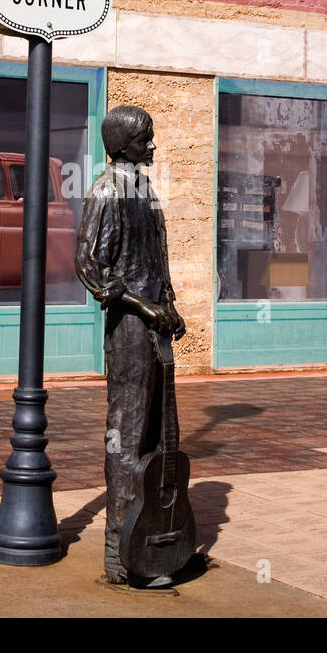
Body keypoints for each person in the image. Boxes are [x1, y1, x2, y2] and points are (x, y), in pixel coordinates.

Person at [74, 105, 187, 586]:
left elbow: (154, 258)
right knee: (127, 429)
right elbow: (90, 265)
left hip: (157, 326)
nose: (153, 147)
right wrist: (145, 307)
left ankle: (155, 537)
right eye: (145, 141)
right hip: (130, 331)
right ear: (121, 146)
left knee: (161, 432)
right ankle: (120, 549)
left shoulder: (145, 190)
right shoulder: (106, 190)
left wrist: (170, 304)